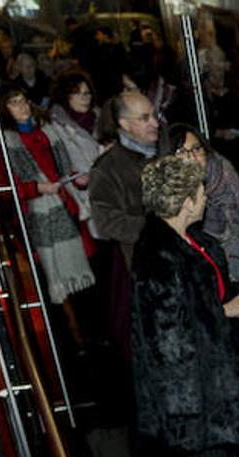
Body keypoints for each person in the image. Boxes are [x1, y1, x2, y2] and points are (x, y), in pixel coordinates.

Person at [130, 154, 239, 457]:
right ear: (185, 201)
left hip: (211, 366)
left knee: (224, 446)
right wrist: (227, 312)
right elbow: (170, 333)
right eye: (200, 192)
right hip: (192, 379)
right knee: (206, 452)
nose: (204, 197)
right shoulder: (159, 254)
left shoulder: (180, 238)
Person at [0, 84, 96, 306]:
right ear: (3, 109)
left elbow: (63, 169)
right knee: (52, 292)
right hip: (36, 223)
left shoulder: (49, 131)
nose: (22, 106)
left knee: (87, 291)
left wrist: (77, 179)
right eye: (14, 102)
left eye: (24, 100)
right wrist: (36, 188)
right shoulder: (1, 141)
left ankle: (95, 337)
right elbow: (5, 188)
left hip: (69, 211)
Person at [89, 91, 158, 349]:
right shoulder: (107, 168)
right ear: (124, 124)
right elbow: (107, 221)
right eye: (144, 118)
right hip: (144, 266)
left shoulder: (168, 150)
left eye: (153, 115)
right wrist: (158, 228)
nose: (155, 122)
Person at [167, 123, 239, 282]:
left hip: (234, 265)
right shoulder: (166, 194)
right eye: (182, 151)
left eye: (197, 149)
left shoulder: (221, 170)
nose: (192, 157)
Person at [47, 71, 106, 238]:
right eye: (78, 93)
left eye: (87, 93)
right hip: (80, 196)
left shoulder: (101, 118)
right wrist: (76, 179)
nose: (84, 98)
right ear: (66, 96)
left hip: (107, 190)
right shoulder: (56, 126)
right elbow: (56, 163)